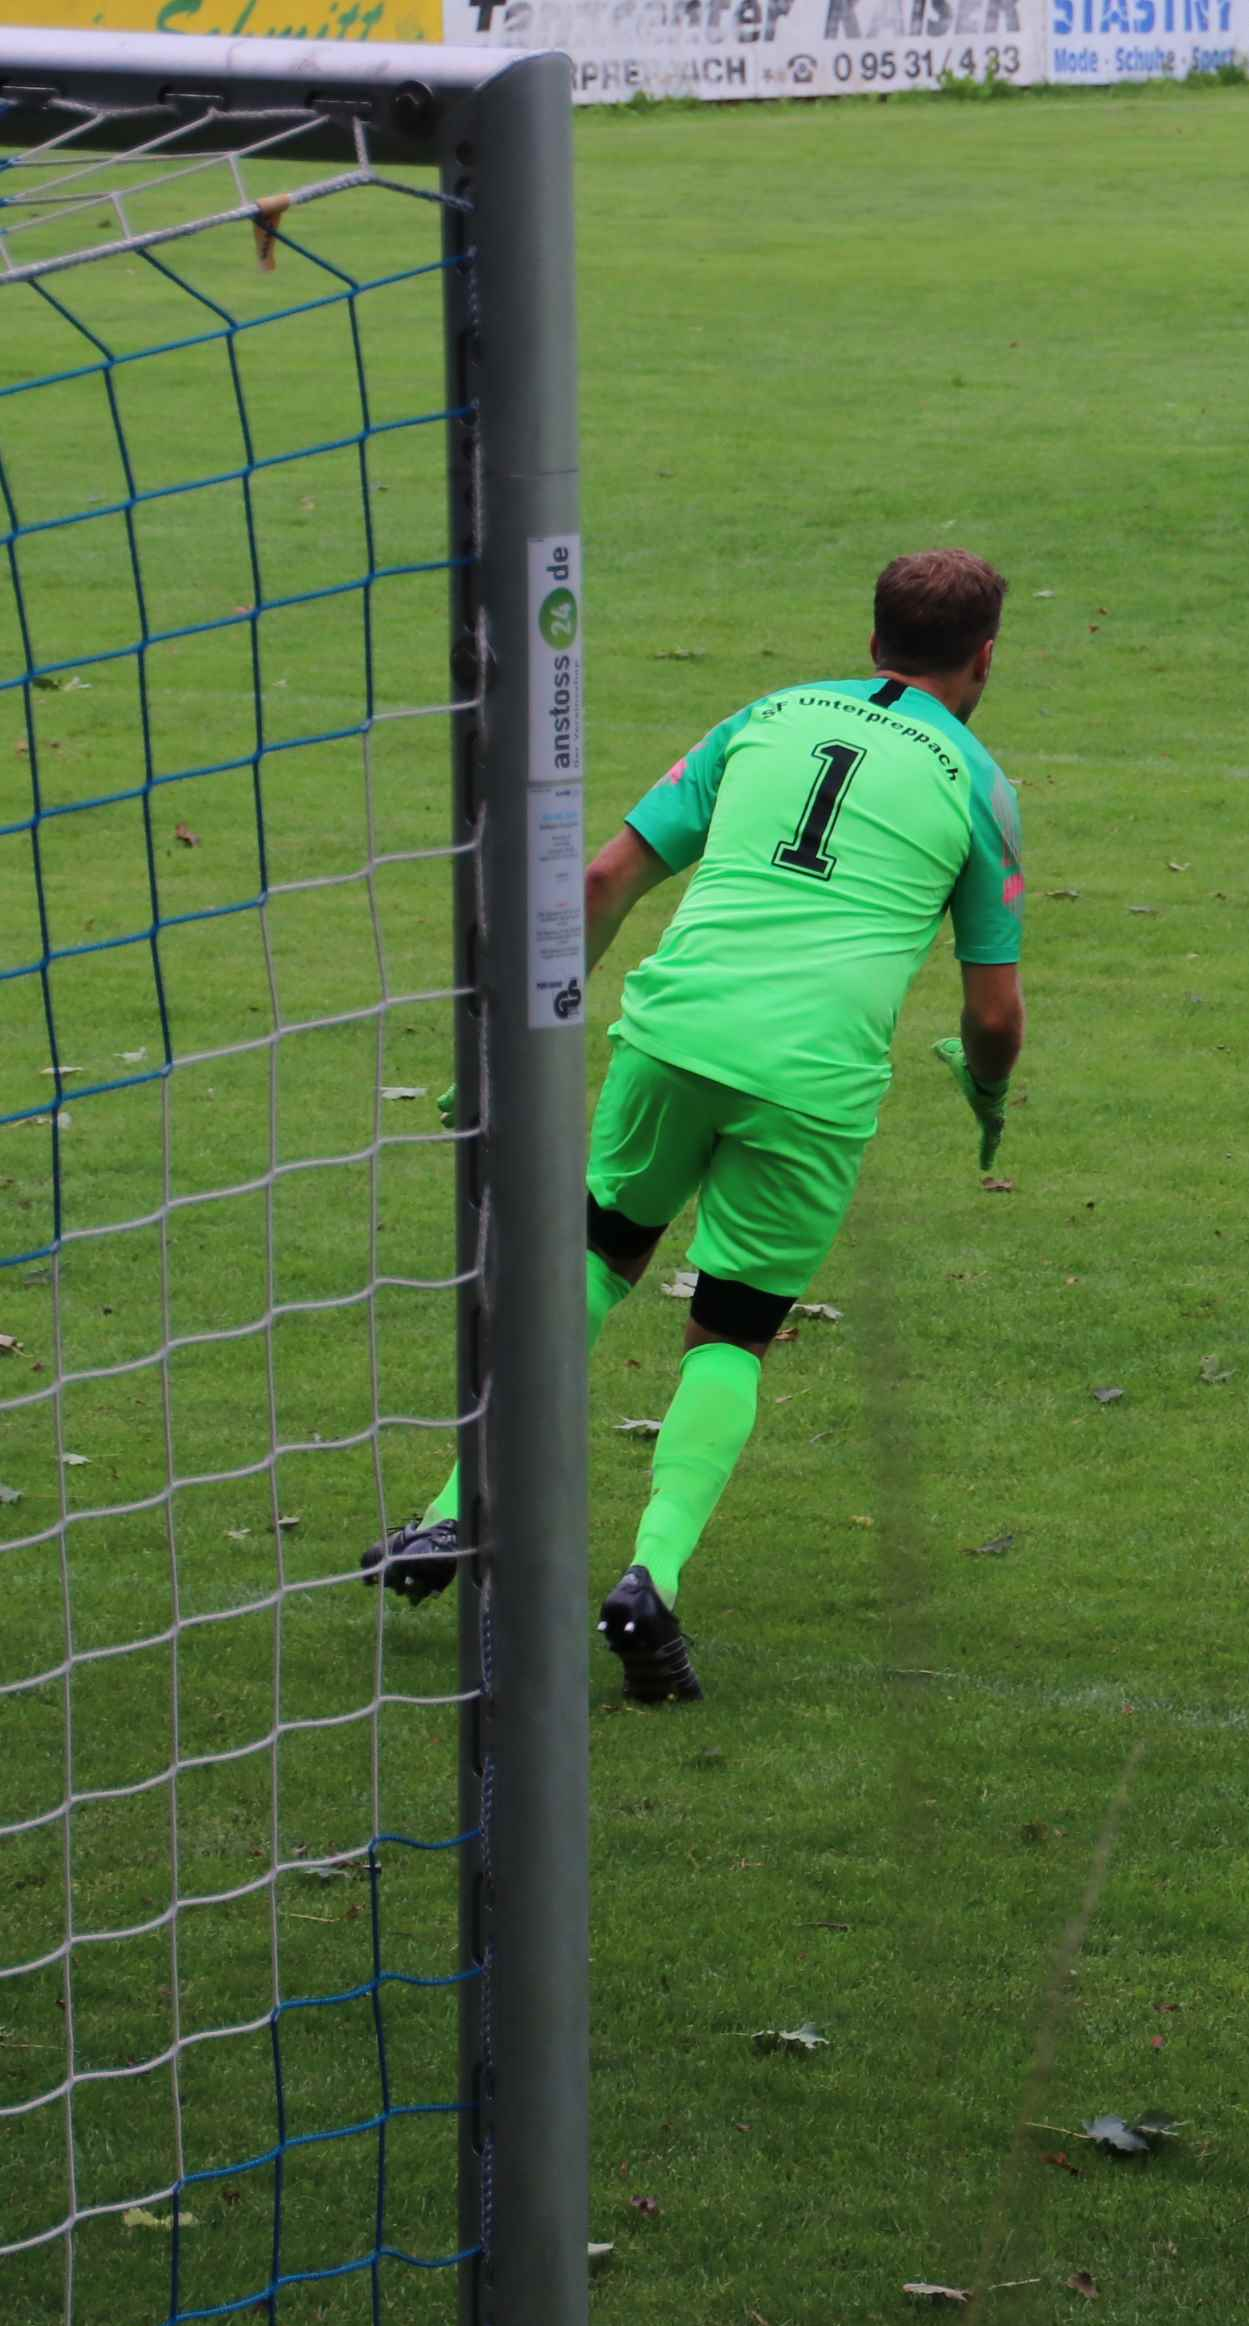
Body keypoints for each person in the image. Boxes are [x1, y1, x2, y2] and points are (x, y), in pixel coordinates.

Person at [362, 549, 1028, 1699]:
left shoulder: (763, 718)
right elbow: (994, 1013)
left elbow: (602, 881)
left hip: (673, 1036)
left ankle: (453, 1510)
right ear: (984, 657)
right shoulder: (981, 786)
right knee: (730, 1331)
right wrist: (986, 1093)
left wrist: (508, 1039)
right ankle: (649, 1582)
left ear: (872, 641)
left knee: (597, 1255)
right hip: (810, 1082)